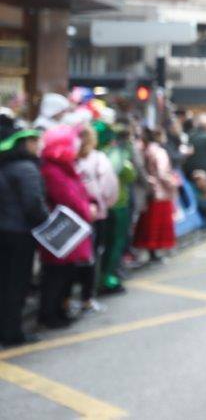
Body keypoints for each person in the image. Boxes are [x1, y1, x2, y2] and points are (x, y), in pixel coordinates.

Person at [38, 126, 94, 329]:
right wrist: (88, 210)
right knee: (56, 275)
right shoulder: (52, 170)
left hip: (70, 231)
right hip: (62, 232)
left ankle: (58, 311)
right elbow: (68, 198)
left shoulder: (62, 168)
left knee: (65, 274)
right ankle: (50, 314)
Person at [0, 124, 46, 345]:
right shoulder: (26, 168)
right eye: (33, 141)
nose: (37, 145)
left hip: (5, 232)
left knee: (5, 283)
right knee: (17, 284)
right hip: (20, 234)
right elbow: (34, 205)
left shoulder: (5, 166)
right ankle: (13, 333)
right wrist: (45, 221)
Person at [72, 126, 118, 314]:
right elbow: (109, 187)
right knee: (92, 255)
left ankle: (69, 298)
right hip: (94, 214)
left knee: (74, 257)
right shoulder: (99, 159)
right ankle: (87, 298)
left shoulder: (69, 160)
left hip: (73, 215)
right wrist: (104, 204)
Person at [98, 124, 135, 294]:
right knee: (114, 244)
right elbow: (129, 174)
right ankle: (108, 279)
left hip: (100, 207)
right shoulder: (112, 154)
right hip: (116, 204)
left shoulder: (93, 154)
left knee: (104, 245)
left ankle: (105, 277)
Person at [133, 127, 177, 262]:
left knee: (148, 224)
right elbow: (162, 173)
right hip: (160, 192)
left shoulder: (142, 150)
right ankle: (155, 252)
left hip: (147, 191)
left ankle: (147, 251)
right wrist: (173, 184)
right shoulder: (159, 152)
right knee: (158, 226)